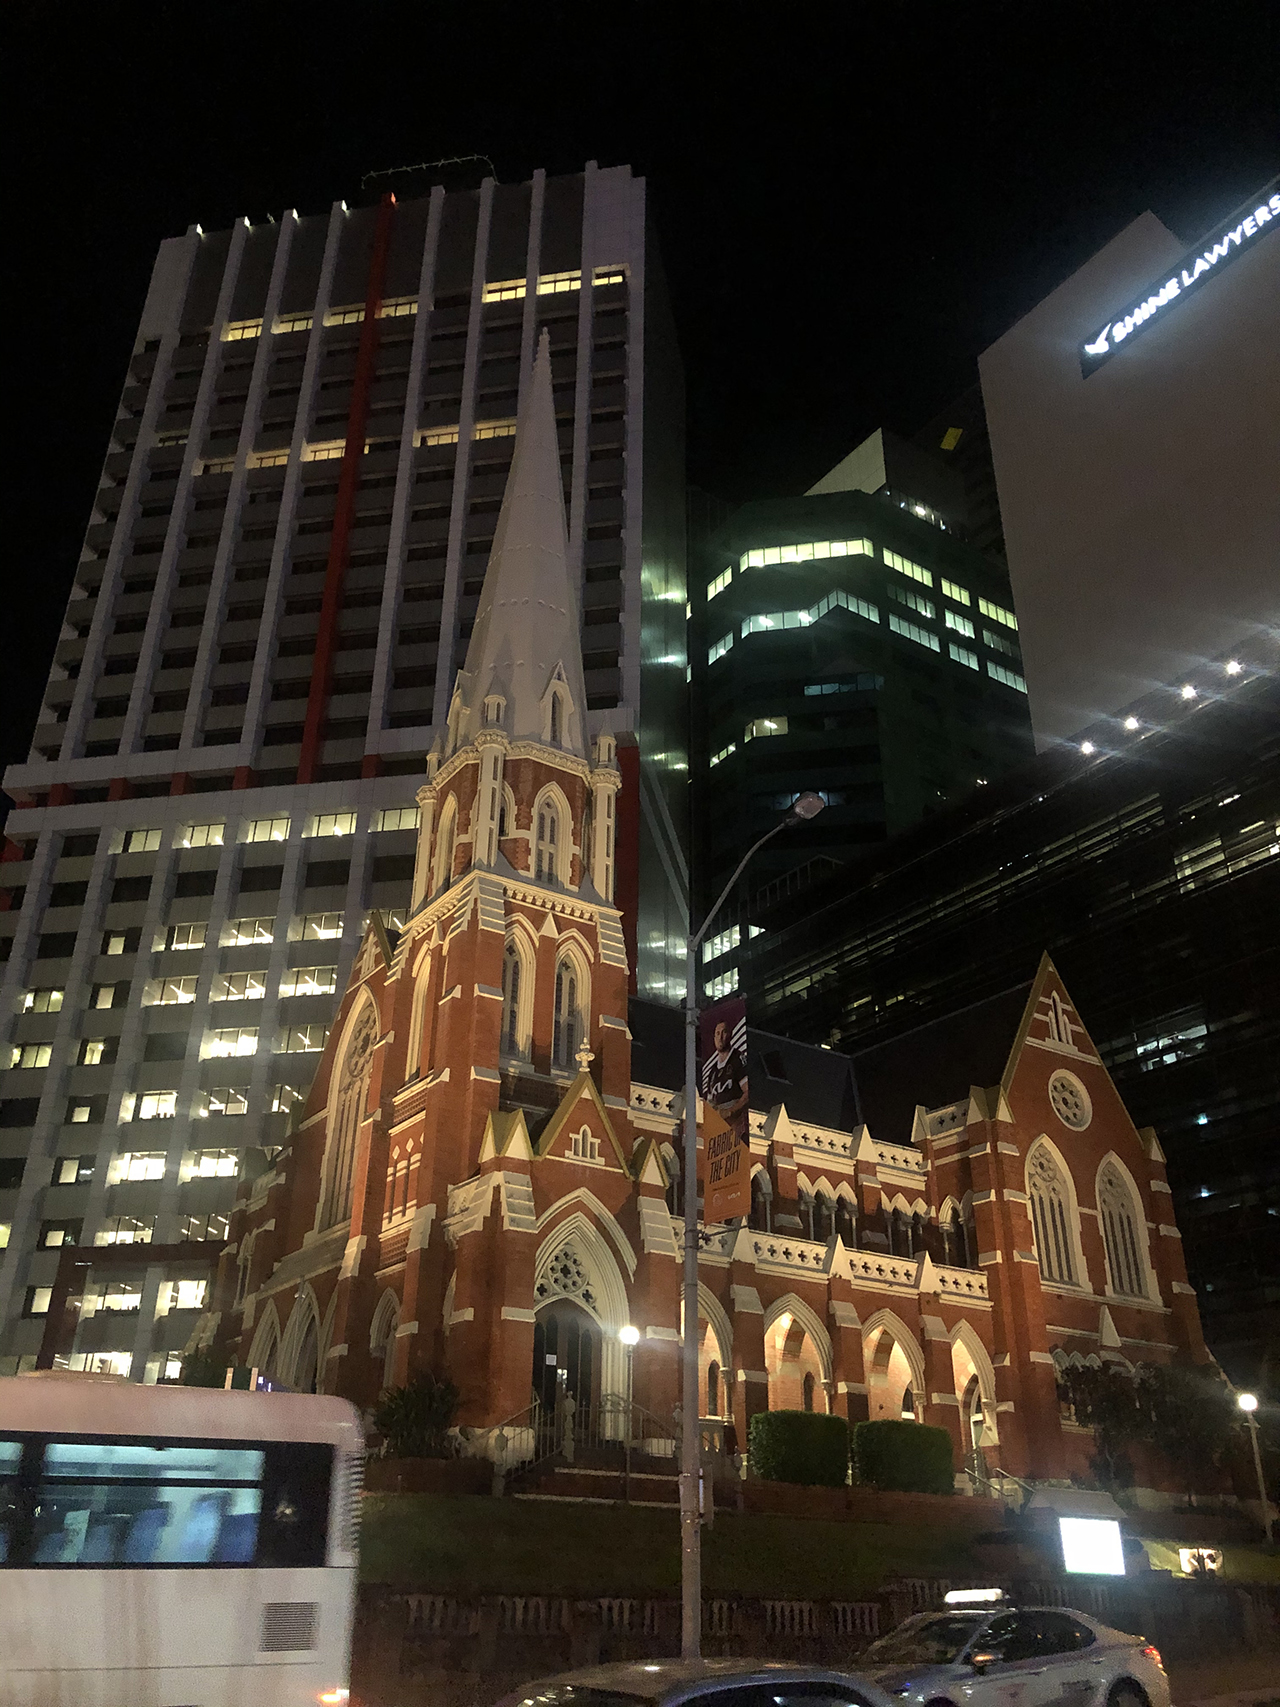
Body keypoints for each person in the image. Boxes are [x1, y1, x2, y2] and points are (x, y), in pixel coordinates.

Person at [702, 1020, 749, 1142]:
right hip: (719, 1130)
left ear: (731, 1035)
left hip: (736, 1125)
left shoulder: (737, 1059)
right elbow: (710, 1103)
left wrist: (730, 1111)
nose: (720, 1037)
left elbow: (747, 1093)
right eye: (717, 1034)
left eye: (724, 1032)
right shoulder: (712, 1072)